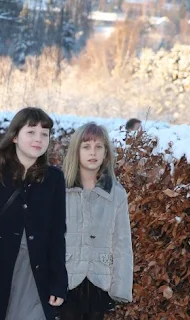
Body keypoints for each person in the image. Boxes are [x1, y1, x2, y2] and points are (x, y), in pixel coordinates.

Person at [0, 107, 68, 320]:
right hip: (1, 273)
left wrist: (59, 280)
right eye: (31, 132)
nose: (38, 139)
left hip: (37, 273)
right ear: (15, 136)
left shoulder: (54, 179)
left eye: (45, 134)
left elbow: (57, 232)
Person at [59, 123, 133, 320]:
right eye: (86, 146)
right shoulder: (58, 189)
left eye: (98, 146)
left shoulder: (116, 193)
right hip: (66, 281)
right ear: (76, 151)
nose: (93, 152)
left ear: (106, 153)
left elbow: (122, 242)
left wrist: (120, 288)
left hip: (100, 282)